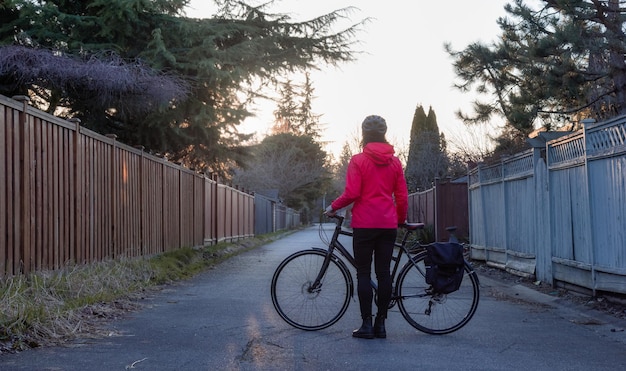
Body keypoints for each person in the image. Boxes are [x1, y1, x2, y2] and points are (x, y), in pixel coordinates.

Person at [325, 115, 408, 339]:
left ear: (364, 135)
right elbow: (401, 196)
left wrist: (333, 206)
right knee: (384, 273)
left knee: (363, 272)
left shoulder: (358, 160)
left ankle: (366, 325)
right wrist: (399, 219)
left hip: (364, 225)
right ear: (384, 134)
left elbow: (352, 193)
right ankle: (381, 325)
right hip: (387, 225)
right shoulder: (395, 162)